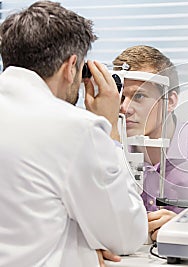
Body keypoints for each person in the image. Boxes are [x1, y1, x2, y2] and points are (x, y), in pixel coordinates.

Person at [0, 2, 147, 267]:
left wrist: (72, 248)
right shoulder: (75, 128)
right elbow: (127, 235)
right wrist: (109, 127)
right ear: (71, 67)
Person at [113, 45, 188, 241]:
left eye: (139, 96)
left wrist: (184, 228)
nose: (124, 108)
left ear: (171, 101)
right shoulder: (113, 153)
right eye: (121, 97)